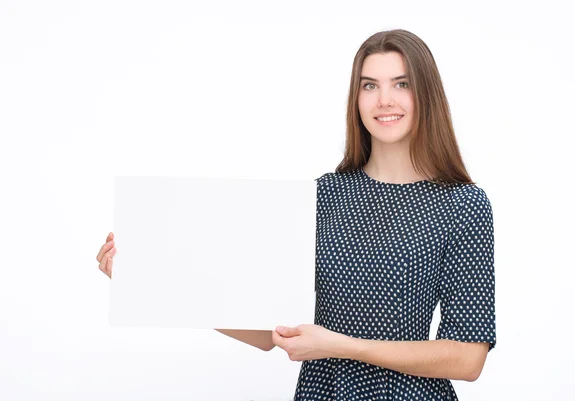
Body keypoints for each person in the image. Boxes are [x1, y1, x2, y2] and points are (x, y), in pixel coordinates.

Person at [96, 29, 496, 401]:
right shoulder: (323, 196)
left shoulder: (462, 205)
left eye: (401, 84)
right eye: (369, 85)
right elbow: (271, 332)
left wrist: (341, 346)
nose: (384, 100)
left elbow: (467, 358)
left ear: (426, 95)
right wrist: (147, 283)